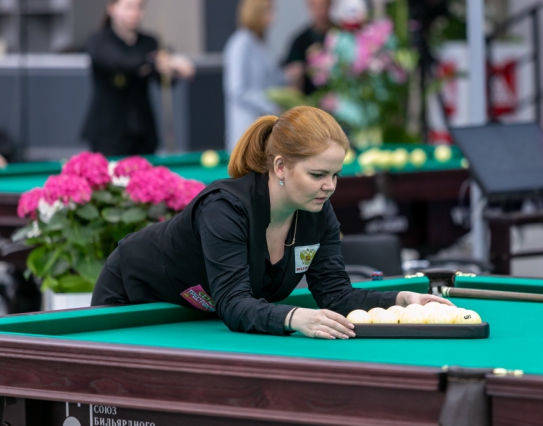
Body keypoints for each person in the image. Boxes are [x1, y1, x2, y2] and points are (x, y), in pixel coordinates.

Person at [91, 106, 453, 339]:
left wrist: (402, 300)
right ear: (280, 167)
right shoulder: (225, 208)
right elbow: (234, 303)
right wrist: (295, 317)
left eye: (335, 175)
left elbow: (337, 295)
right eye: (317, 174)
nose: (329, 186)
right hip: (131, 295)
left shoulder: (318, 214)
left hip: (194, 313)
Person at [81, 0, 194, 156]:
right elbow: (121, 63)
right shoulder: (98, 40)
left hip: (143, 132)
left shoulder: (150, 42)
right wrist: (156, 61)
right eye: (128, 7)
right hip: (107, 133)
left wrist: (172, 68)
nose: (134, 13)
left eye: (139, 7)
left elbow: (164, 80)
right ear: (112, 8)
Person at [223, 0, 284, 152]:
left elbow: (269, 81)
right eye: (269, 12)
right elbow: (236, 90)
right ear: (256, 13)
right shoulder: (240, 43)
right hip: (246, 129)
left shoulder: (263, 44)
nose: (274, 18)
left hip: (266, 129)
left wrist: (288, 76)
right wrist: (271, 106)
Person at [284, 0, 333, 95]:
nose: (321, 12)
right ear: (310, 7)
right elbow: (294, 79)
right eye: (317, 7)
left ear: (330, 5)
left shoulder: (342, 35)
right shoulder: (300, 42)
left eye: (323, 6)